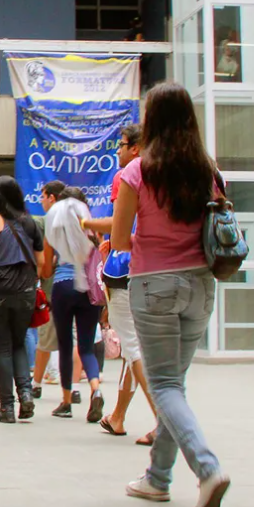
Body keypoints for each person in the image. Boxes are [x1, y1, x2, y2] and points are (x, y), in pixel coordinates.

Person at [113, 82, 229, 507]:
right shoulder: (209, 171)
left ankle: (208, 469)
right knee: (173, 385)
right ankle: (158, 479)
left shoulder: (138, 172)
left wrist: (152, 233)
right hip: (201, 285)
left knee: (163, 386)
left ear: (152, 122)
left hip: (154, 286)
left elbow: (121, 240)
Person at [83, 125, 158, 445]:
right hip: (159, 268)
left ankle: (165, 419)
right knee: (134, 348)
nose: (118, 151)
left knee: (133, 346)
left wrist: (85, 223)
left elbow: (121, 223)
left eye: (123, 145)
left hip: (125, 269)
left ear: (137, 148)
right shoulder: (167, 175)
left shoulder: (128, 174)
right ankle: (118, 416)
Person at [0, 176, 45, 424]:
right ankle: (26, 394)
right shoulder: (31, 224)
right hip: (26, 292)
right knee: (17, 343)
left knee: (2, 347)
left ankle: (7, 407)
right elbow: (42, 264)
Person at [43, 183, 104, 422]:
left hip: (63, 286)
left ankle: (66, 401)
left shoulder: (53, 230)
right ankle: (96, 388)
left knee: (66, 345)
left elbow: (47, 270)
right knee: (86, 346)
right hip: (89, 290)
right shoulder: (93, 230)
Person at [32, 182, 83, 403]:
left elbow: (45, 266)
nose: (40, 201)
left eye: (42, 197)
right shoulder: (86, 223)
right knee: (76, 340)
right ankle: (74, 387)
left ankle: (35, 385)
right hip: (83, 287)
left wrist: (41, 272)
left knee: (46, 340)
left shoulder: (49, 224)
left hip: (56, 288)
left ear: (53, 198)